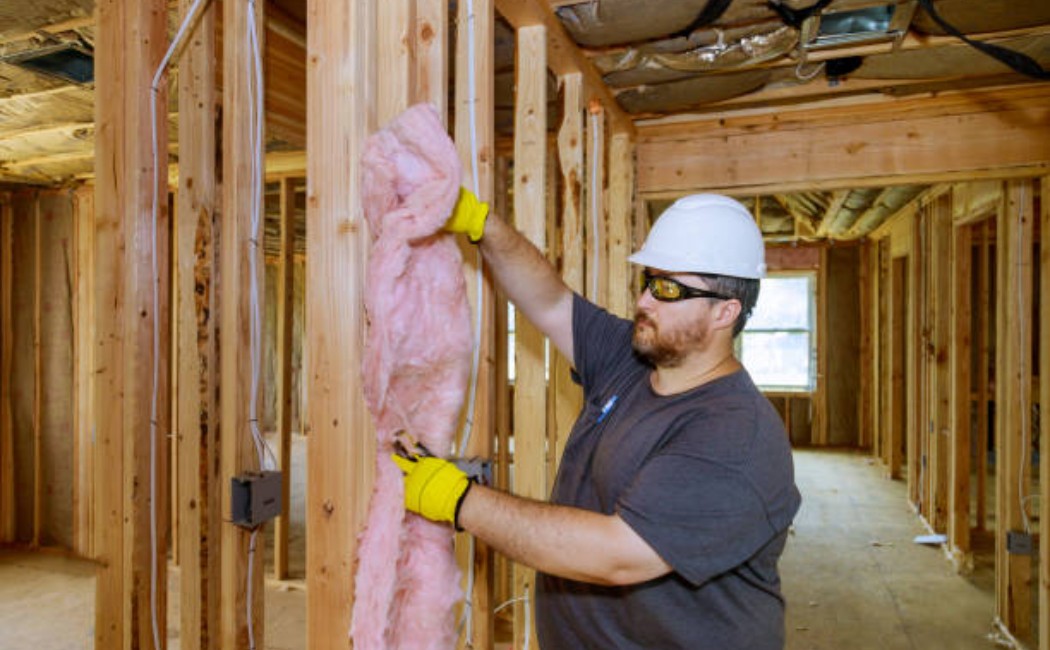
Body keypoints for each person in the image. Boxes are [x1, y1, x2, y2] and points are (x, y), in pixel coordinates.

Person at [392, 190, 802, 649]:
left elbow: (617, 554)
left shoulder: (735, 437)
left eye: (669, 289)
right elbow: (548, 301)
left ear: (725, 312)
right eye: (649, 279)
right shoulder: (633, 358)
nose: (645, 300)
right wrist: (482, 223)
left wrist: (458, 499)